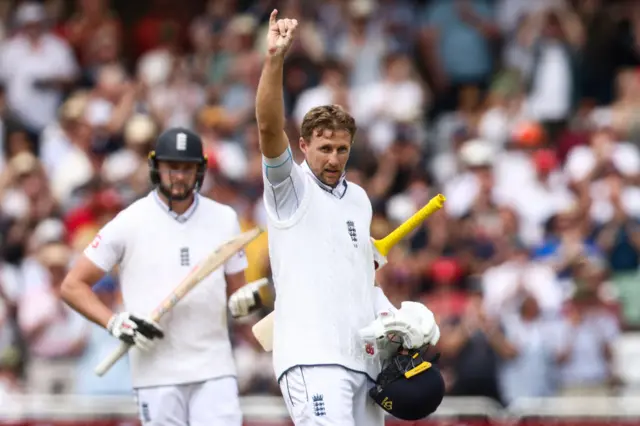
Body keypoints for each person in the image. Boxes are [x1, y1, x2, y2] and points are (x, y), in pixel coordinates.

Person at [254, 10, 440, 425]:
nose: (334, 158)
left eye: (342, 149)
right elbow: (268, 128)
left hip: (364, 363)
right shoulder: (290, 190)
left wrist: (396, 318)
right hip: (313, 357)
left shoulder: (358, 199)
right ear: (304, 146)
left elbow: (362, 280)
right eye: (324, 149)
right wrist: (274, 60)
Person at [60, 127, 248, 425]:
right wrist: (113, 321)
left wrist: (246, 305)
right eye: (171, 167)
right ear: (156, 167)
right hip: (155, 370)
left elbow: (239, 295)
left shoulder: (225, 219)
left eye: (187, 168)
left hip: (214, 366)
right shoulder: (130, 221)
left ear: (199, 170)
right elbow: (72, 285)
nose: (179, 176)